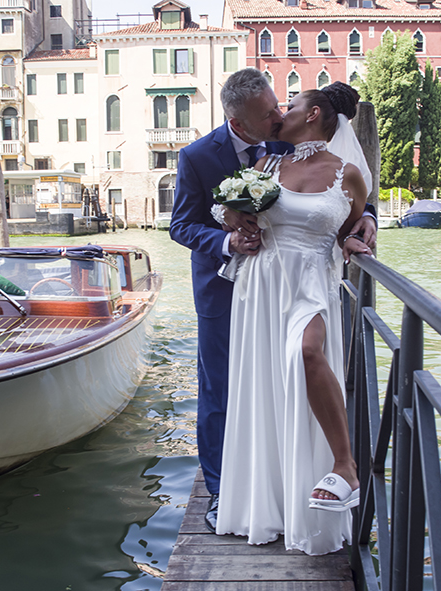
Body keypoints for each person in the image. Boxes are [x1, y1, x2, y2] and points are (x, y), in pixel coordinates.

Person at [169, 69, 375, 533]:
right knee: (224, 393)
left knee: (300, 364)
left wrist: (368, 225)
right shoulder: (199, 156)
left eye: (282, 106)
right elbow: (182, 225)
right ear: (239, 122)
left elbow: (341, 196)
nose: (279, 116)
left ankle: (327, 472)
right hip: (233, 291)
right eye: (268, 113)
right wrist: (227, 241)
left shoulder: (287, 145)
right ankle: (228, 493)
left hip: (301, 281)